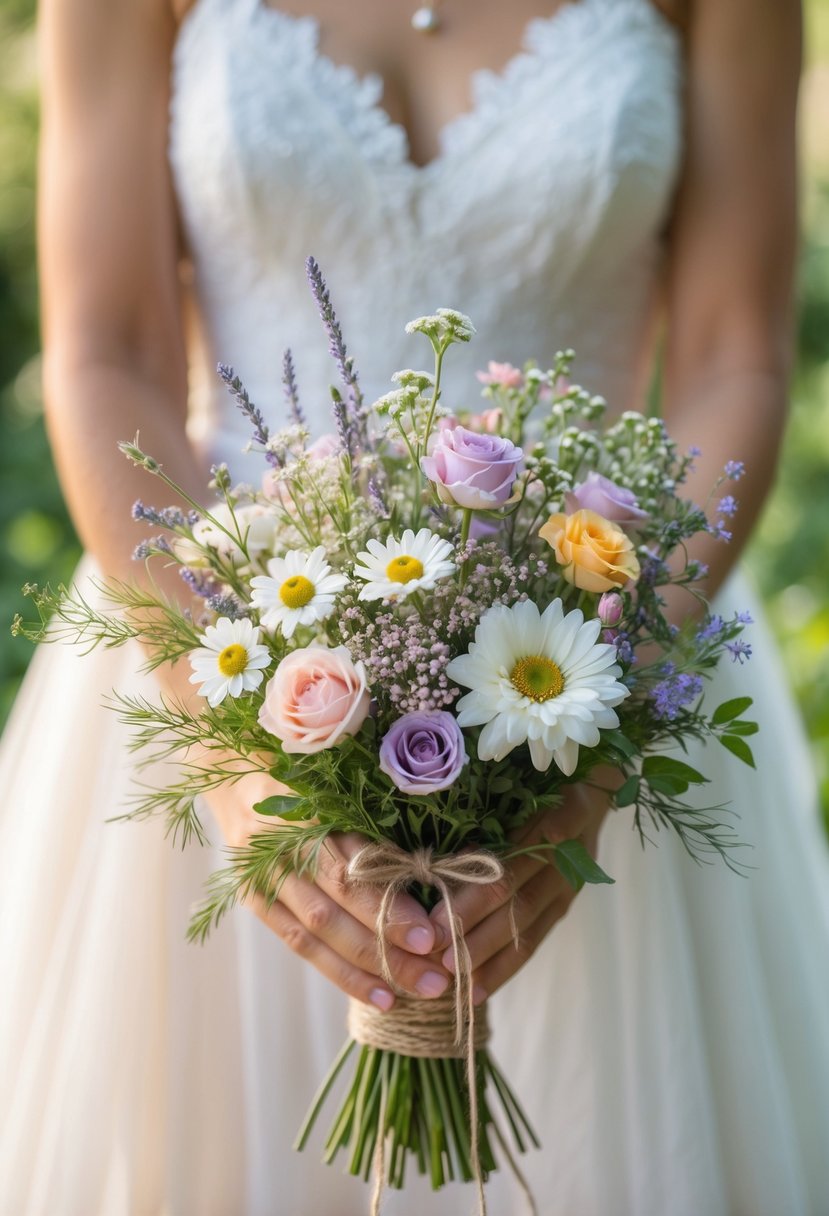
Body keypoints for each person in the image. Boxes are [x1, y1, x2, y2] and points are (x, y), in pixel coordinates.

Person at [2, 0, 828, 1212]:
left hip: (603, 658)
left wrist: (597, 751)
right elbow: (104, 346)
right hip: (209, 636)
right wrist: (234, 756)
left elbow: (729, 357)